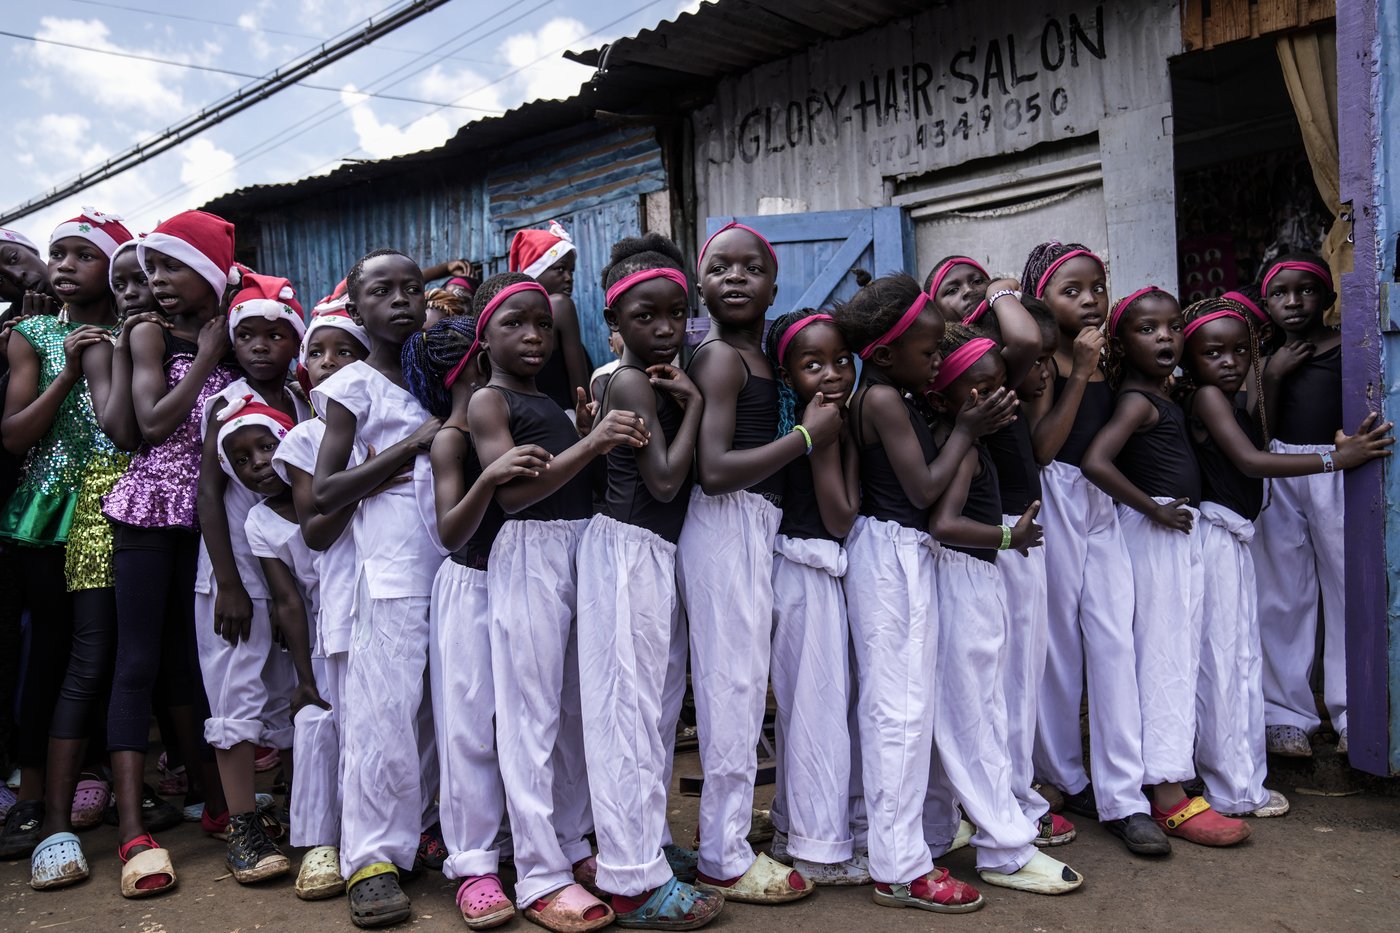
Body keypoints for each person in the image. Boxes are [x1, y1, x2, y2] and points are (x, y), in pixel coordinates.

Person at [466, 272, 648, 933]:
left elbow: (572, 477)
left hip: (577, 548)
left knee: (576, 711)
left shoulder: (546, 400)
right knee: (531, 716)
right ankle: (539, 872)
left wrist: (584, 435)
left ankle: (573, 846)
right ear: (484, 334)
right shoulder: (489, 402)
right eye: (514, 322)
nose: (534, 335)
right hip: (530, 554)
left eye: (543, 323)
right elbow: (515, 493)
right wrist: (591, 444)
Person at [1178, 298, 1389, 816]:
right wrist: (1338, 457)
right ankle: (1232, 785)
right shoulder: (1206, 396)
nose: (1229, 362)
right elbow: (1251, 461)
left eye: (1238, 351)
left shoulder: (1229, 396)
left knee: (1240, 656)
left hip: (1233, 538)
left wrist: (1268, 376)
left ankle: (1237, 778)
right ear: (1192, 359)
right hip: (1217, 537)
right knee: (1230, 660)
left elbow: (1257, 424)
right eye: (1213, 352)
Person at [831, 273, 999, 913]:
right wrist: (968, 428)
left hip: (901, 555)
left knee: (906, 707)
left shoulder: (890, 391)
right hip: (890, 556)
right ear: (881, 354)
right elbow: (926, 490)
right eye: (929, 354)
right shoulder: (880, 400)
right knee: (897, 712)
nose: (937, 363)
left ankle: (907, 843)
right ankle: (898, 867)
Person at [679, 223, 835, 905]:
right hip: (724, 522)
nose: (736, 278)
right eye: (721, 267)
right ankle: (722, 854)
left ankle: (727, 836)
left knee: (741, 689)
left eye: (751, 268)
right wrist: (805, 436)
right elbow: (713, 471)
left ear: (775, 286)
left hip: (750, 525)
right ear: (700, 284)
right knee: (731, 693)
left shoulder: (757, 354)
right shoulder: (721, 359)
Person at [575, 235, 722, 929]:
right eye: (646, 315)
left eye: (676, 314)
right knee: (628, 717)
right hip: (627, 550)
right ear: (617, 321)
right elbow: (664, 478)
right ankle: (632, 881)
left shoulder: (631, 376)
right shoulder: (634, 380)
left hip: (643, 552)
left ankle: (648, 847)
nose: (664, 328)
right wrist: (693, 407)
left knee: (650, 712)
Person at [102, 209, 240, 896]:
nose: (155, 280)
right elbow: (152, 425)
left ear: (210, 275)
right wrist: (209, 358)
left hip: (210, 519)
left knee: (194, 664)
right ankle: (132, 830)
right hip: (150, 512)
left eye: (171, 266)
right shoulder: (149, 333)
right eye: (150, 267)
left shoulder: (232, 332)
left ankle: (217, 803)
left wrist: (224, 343)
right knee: (138, 663)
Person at [1080, 286, 1249, 848]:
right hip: (1152, 539)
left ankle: (1172, 774)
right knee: (1162, 659)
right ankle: (1168, 793)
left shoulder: (1162, 395)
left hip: (1175, 540)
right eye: (1147, 329)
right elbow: (1096, 461)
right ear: (1122, 344)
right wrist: (1152, 507)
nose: (1165, 337)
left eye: (1174, 327)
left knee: (1178, 654)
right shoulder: (1135, 400)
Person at [921, 323, 1082, 895]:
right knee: (976, 716)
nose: (1003, 399)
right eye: (983, 391)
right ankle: (1005, 849)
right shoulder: (960, 447)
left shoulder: (972, 441)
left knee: (977, 710)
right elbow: (944, 525)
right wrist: (1010, 538)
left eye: (1002, 387)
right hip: (965, 581)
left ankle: (947, 831)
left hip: (973, 581)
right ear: (945, 399)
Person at [1018, 242, 1166, 856]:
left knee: (1114, 642)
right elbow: (1045, 448)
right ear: (1043, 301)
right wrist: (1077, 369)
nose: (1087, 300)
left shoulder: (1111, 357)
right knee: (1055, 649)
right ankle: (1065, 777)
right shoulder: (1044, 366)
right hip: (1054, 499)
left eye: (1095, 288)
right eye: (1069, 290)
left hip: (1101, 506)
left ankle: (1125, 796)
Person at [311, 249, 443, 928]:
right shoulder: (352, 387)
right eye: (381, 291)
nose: (400, 299)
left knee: (434, 715)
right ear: (356, 309)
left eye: (411, 288)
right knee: (380, 716)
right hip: (387, 565)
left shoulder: (439, 377)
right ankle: (369, 858)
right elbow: (324, 493)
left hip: (448, 560)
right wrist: (408, 447)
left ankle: (421, 830)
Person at [403, 314, 549, 930]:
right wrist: (490, 477)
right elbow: (450, 532)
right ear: (475, 358)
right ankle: (473, 865)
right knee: (469, 726)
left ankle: (522, 842)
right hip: (471, 585)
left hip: (523, 582)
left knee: (529, 718)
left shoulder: (521, 413)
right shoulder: (453, 440)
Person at [0, 209, 131, 884]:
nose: (65, 264)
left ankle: (106, 778)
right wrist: (68, 373)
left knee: (116, 647)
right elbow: (16, 436)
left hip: (119, 508)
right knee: (50, 652)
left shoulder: (138, 334)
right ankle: (32, 797)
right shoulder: (33, 334)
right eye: (58, 252)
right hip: (49, 513)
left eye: (83, 254)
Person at [195, 273, 311, 881]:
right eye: (248, 335)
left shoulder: (303, 399)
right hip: (235, 569)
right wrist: (230, 583)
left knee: (294, 682)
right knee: (236, 685)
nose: (261, 345)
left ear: (296, 341)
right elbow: (209, 495)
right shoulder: (226, 400)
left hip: (290, 569)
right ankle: (242, 822)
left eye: (275, 334)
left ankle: (296, 808)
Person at [271, 302, 371, 901]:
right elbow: (317, 529)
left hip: (394, 590)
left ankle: (387, 834)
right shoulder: (307, 438)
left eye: (346, 351)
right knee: (335, 719)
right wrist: (374, 478)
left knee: (391, 722)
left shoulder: (385, 422)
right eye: (317, 352)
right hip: (340, 596)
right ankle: (321, 840)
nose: (329, 362)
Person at [762, 309, 865, 886]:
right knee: (819, 712)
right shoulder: (823, 421)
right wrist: (842, 444)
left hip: (801, 568)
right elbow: (841, 513)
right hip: (806, 571)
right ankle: (817, 849)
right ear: (787, 374)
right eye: (812, 365)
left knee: (807, 706)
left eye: (841, 360)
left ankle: (790, 825)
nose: (832, 374)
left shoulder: (813, 413)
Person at [1252, 254, 1351, 756]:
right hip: (1280, 474)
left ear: (1329, 298)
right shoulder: (1261, 355)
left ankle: (1355, 710)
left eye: (1307, 290)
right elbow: (1254, 425)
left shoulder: (1350, 346)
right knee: (1282, 592)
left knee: (1346, 586)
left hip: (1337, 471)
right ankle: (1286, 714)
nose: (1293, 302)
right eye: (1280, 293)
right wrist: (1272, 373)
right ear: (1264, 302)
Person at [508, 222, 592, 413]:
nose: (569, 277)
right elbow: (581, 393)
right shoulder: (560, 305)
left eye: (571, 270)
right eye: (560, 269)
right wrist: (589, 426)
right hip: (566, 418)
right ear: (536, 272)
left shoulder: (512, 318)